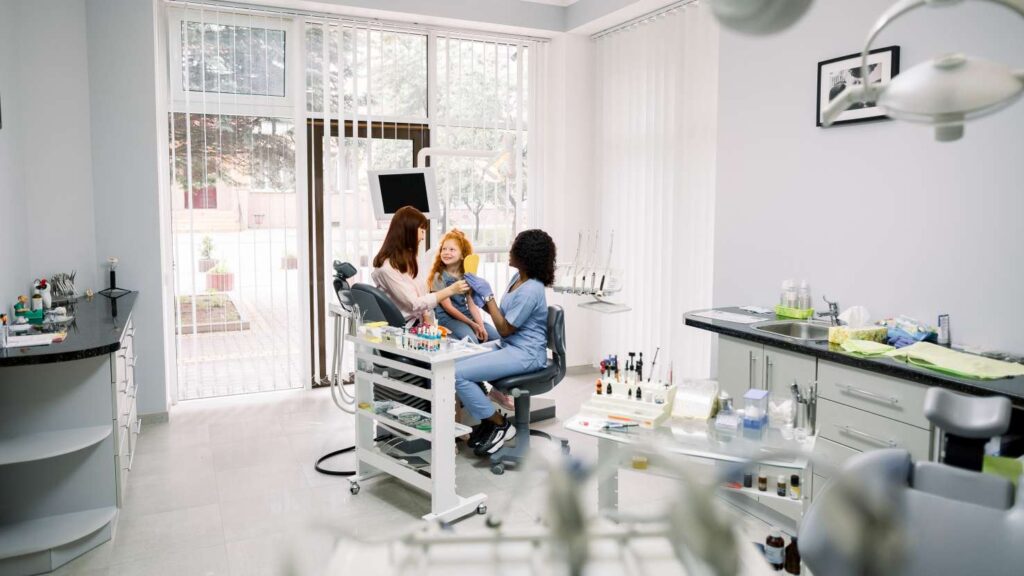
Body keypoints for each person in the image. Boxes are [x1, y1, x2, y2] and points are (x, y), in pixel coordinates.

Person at [455, 229, 556, 457]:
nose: (510, 250)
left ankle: (498, 423)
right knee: (455, 360)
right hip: (509, 345)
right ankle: (490, 422)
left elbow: (504, 328)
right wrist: (482, 301)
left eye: (515, 248)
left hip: (525, 354)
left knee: (456, 374)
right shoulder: (518, 278)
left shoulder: (532, 289)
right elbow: (504, 317)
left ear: (527, 255)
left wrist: (488, 296)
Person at [371, 206, 469, 325]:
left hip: (418, 322)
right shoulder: (386, 269)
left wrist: (427, 318)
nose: (423, 237)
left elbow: (421, 293)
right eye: (422, 231)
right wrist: (451, 290)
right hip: (401, 326)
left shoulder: (411, 259)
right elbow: (414, 303)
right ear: (409, 231)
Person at [427, 229, 499, 343]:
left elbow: (472, 305)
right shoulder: (438, 277)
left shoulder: (466, 276)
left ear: (462, 255)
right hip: (448, 320)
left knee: (497, 338)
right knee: (472, 341)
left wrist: (481, 326)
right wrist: (472, 324)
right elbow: (448, 308)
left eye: (452, 249)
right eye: (444, 249)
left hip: (467, 316)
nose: (446, 252)